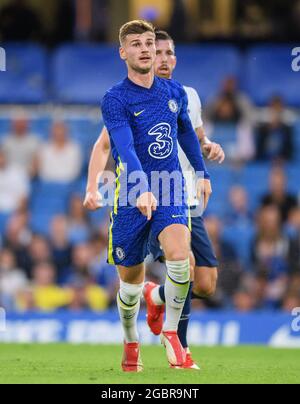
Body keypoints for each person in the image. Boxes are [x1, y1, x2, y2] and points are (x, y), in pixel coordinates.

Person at [84, 20, 212, 372]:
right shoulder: (115, 99)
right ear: (123, 52)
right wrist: (139, 188)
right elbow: (123, 147)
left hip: (171, 187)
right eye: (137, 43)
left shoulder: (174, 93)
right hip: (129, 195)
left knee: (180, 258)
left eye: (150, 43)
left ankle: (170, 333)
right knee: (129, 287)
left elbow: (186, 135)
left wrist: (201, 173)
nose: (145, 49)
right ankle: (130, 341)